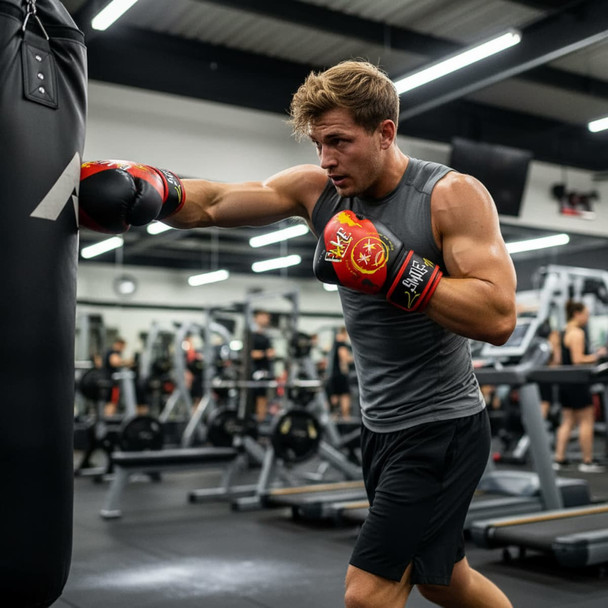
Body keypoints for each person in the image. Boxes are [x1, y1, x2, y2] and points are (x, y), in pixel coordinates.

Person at [79, 60, 517, 608]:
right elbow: (214, 202)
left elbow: (498, 316)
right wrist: (156, 190)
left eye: (339, 141)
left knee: (368, 595)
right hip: (380, 427)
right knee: (441, 578)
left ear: (386, 133)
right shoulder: (319, 191)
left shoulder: (450, 195)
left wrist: (398, 271)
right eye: (317, 144)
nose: (326, 159)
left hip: (441, 427)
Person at [553, 300, 607, 473]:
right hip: (577, 382)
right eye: (586, 314)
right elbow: (578, 360)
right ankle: (587, 461)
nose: (587, 318)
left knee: (568, 420)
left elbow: (562, 359)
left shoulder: (563, 332)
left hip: (565, 382)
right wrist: (597, 355)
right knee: (586, 420)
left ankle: (559, 458)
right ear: (577, 313)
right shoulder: (577, 333)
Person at [249, 309, 276, 422]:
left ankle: (261, 422)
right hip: (252, 371)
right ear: (256, 317)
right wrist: (265, 354)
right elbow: (250, 354)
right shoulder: (251, 336)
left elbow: (272, 353)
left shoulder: (266, 337)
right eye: (264, 316)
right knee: (251, 397)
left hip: (265, 371)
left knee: (263, 397)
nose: (266, 319)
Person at [327, 326, 354, 420]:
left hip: (333, 375)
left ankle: (334, 417)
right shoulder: (342, 344)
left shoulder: (334, 344)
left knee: (335, 397)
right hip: (341, 375)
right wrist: (356, 358)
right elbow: (344, 358)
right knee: (345, 396)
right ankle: (346, 418)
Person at [102, 337, 132, 417]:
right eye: (123, 347)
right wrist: (127, 362)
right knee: (111, 403)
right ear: (119, 344)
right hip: (110, 383)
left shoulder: (111, 352)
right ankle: (108, 421)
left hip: (109, 382)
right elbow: (115, 362)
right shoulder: (113, 352)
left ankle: (108, 420)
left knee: (111, 403)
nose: (123, 349)